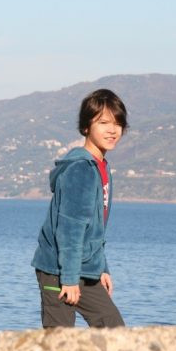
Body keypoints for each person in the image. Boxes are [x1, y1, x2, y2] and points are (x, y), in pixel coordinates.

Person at [31, 88, 128, 328]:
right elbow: (70, 230)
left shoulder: (101, 167)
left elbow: (95, 230)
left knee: (115, 331)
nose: (112, 130)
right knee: (60, 344)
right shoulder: (81, 169)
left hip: (86, 268)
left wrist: (101, 268)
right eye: (103, 122)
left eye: (117, 123)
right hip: (59, 269)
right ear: (86, 127)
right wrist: (70, 279)